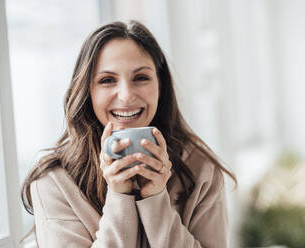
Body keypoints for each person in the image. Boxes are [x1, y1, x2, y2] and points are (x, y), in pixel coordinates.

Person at [21, 20, 236, 247]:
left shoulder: (201, 170)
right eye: (107, 80)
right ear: (87, 92)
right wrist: (119, 197)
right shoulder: (53, 181)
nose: (125, 96)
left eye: (141, 78)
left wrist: (156, 198)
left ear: (160, 86)